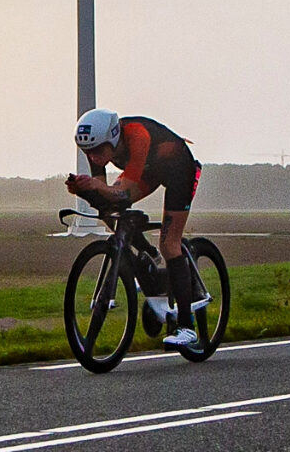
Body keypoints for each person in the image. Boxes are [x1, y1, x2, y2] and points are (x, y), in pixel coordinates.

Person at [65, 108, 203, 347]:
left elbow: (125, 190)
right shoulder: (95, 144)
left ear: (112, 138)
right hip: (150, 171)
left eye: (98, 151)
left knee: (170, 244)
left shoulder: (137, 136)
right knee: (108, 206)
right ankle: (146, 254)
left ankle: (187, 326)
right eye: (88, 152)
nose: (94, 158)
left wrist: (94, 188)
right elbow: (104, 193)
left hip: (179, 169)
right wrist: (84, 191)